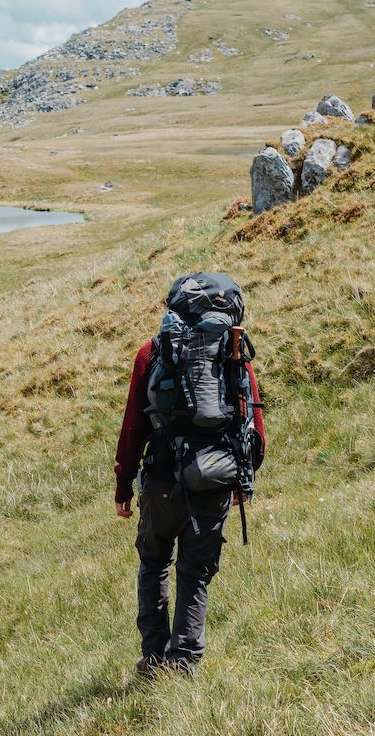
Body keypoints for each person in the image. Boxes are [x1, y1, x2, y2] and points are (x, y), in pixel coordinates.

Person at [114, 275, 266, 677]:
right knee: (195, 574)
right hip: (214, 479)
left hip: (163, 479)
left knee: (154, 563)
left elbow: (133, 428)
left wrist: (123, 483)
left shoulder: (152, 352)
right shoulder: (235, 357)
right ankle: (184, 664)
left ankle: (154, 657)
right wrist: (240, 479)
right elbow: (254, 425)